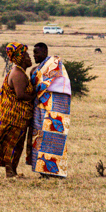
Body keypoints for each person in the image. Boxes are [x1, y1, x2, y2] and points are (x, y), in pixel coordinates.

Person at [0, 42, 35, 178]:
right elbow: (20, 95)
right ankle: (10, 172)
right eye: (26, 55)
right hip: (13, 117)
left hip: (17, 117)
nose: (29, 57)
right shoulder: (18, 74)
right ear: (20, 57)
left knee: (16, 145)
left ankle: (13, 171)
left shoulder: (19, 72)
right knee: (12, 144)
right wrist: (36, 95)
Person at [27, 42, 71, 178]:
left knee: (55, 138)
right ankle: (42, 170)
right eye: (33, 52)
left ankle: (55, 171)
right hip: (39, 107)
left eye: (37, 52)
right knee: (38, 136)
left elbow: (60, 84)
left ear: (45, 52)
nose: (34, 55)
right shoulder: (34, 70)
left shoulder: (54, 63)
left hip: (55, 107)